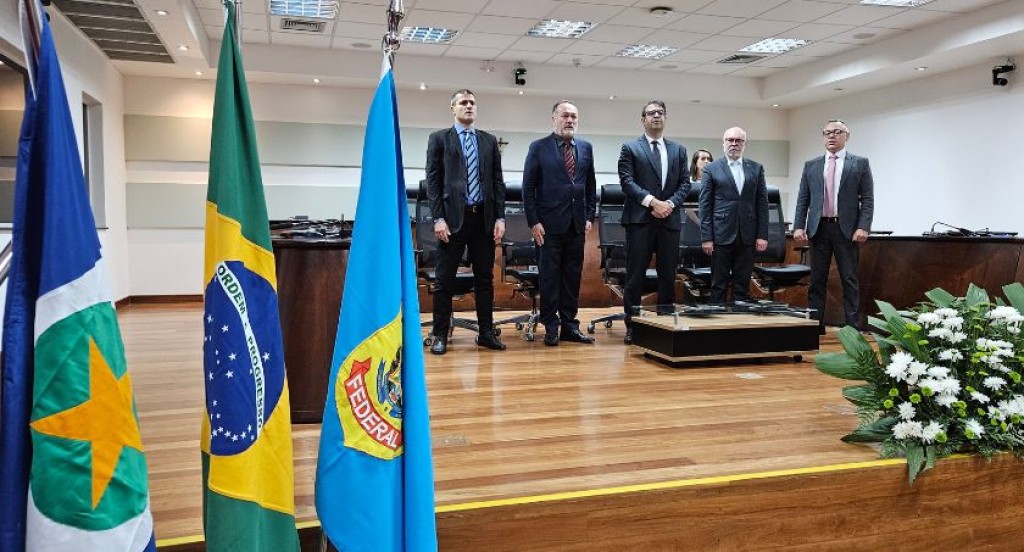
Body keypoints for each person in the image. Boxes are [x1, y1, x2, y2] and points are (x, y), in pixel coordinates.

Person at [425, 89, 507, 355]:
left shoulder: (489, 141)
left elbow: (497, 182)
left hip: (483, 219)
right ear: (453, 108)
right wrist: (438, 218)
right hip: (451, 221)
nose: (469, 106)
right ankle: (439, 334)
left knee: (484, 280)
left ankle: (486, 333)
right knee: (444, 281)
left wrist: (500, 216)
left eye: (472, 102)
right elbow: (433, 182)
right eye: (463, 102)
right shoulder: (439, 139)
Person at [522, 100, 598, 347]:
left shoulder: (586, 148)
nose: (570, 120)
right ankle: (551, 326)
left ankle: (569, 326)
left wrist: (589, 215)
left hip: (576, 225)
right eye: (565, 115)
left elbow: (590, 185)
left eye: (574, 116)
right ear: (553, 118)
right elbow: (528, 188)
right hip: (548, 226)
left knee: (572, 278)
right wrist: (534, 222)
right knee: (550, 278)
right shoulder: (538, 147)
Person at [617, 100, 690, 344]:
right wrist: (653, 203)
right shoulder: (630, 148)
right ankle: (633, 326)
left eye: (660, 113)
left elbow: (685, 184)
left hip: (669, 220)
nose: (656, 116)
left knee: (668, 276)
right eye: (651, 113)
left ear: (665, 118)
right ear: (643, 119)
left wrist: (669, 204)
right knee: (635, 275)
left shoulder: (678, 150)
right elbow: (627, 182)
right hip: (640, 221)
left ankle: (665, 325)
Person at [793, 119, 874, 331]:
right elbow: (803, 198)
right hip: (818, 229)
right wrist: (799, 225)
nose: (831, 136)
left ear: (847, 136)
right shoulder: (812, 165)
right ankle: (815, 326)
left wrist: (863, 226)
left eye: (837, 132)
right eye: (827, 132)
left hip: (846, 230)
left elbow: (867, 199)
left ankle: (852, 329)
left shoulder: (859, 163)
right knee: (817, 280)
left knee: (849, 279)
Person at [698, 127, 768, 304]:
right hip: (720, 234)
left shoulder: (756, 168)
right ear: (723, 143)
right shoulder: (711, 169)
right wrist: (706, 237)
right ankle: (717, 319)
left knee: (742, 285)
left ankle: (740, 318)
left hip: (748, 235)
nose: (734, 144)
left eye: (739, 141)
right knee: (718, 284)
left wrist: (762, 235)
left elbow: (762, 204)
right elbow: (705, 205)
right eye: (730, 140)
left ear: (744, 144)